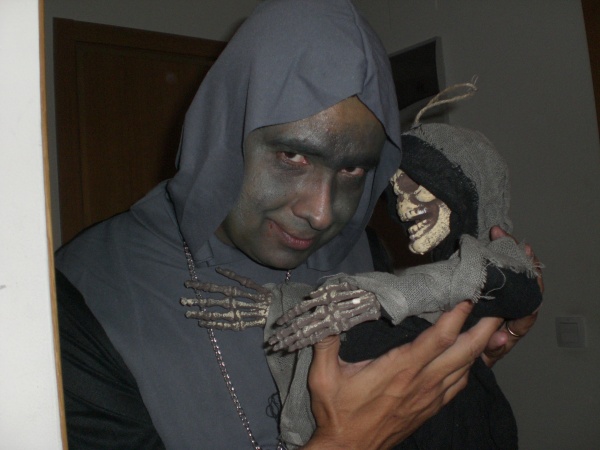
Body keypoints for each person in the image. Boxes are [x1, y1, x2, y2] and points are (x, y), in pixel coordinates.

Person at [55, 1, 540, 449]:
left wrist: (451, 373)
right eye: (293, 156)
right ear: (224, 131)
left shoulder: (365, 251)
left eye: (353, 170)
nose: (322, 213)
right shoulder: (79, 297)